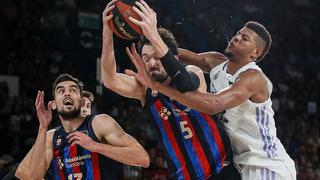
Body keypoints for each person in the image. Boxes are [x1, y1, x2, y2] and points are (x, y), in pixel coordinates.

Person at [126, 3, 297, 179]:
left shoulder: (253, 78)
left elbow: (213, 105)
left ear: (255, 53)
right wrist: (149, 37)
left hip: (265, 164)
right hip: (239, 163)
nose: (237, 38)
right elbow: (170, 53)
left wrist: (158, 86)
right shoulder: (215, 62)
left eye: (244, 38)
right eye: (238, 34)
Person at [101, 1, 240, 179]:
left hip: (221, 172)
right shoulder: (145, 89)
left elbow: (185, 83)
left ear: (172, 58)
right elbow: (109, 79)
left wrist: (153, 34)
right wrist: (107, 31)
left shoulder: (192, 71)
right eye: (145, 58)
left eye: (156, 57)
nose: (151, 63)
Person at [15, 73, 149, 179]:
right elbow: (31, 176)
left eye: (72, 90)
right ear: (54, 104)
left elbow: (142, 158)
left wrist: (96, 146)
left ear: (81, 101)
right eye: (61, 91)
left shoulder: (99, 123)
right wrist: (43, 127)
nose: (67, 93)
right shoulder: (51, 136)